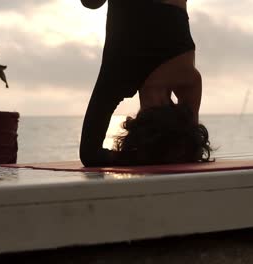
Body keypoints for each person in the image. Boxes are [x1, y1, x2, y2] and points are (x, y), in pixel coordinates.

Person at [80, 0, 212, 167]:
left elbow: (194, 147)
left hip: (172, 19)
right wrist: (132, 157)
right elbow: (90, 155)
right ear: (140, 122)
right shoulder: (118, 74)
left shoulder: (189, 80)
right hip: (128, 42)